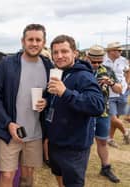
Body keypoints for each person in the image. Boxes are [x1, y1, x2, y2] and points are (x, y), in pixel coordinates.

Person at [0, 23, 54, 187]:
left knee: (27, 176)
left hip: (35, 133)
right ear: (22, 41)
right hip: (10, 131)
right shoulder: (8, 63)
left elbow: (52, 94)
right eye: (30, 39)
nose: (34, 43)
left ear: (43, 42)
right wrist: (7, 123)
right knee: (7, 176)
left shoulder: (48, 66)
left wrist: (46, 101)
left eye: (38, 40)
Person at [46, 35, 104, 187]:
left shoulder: (84, 76)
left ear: (75, 53)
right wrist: (46, 102)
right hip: (56, 142)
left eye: (64, 51)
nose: (59, 56)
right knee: (59, 178)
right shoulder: (59, 73)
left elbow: (97, 105)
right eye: (55, 52)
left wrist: (65, 92)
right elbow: (59, 102)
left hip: (74, 147)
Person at [86, 45, 121, 183]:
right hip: (85, 113)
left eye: (99, 62)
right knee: (84, 143)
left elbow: (119, 90)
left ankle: (106, 168)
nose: (96, 65)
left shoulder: (107, 70)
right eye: (94, 62)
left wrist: (111, 82)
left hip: (103, 113)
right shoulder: (81, 70)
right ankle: (79, 169)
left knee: (102, 141)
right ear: (88, 58)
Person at [103, 42, 130, 147]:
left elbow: (128, 71)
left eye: (120, 50)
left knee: (116, 117)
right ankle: (126, 131)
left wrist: (127, 83)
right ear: (111, 51)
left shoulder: (123, 60)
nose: (120, 51)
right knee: (112, 117)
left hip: (121, 92)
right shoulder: (103, 60)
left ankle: (110, 139)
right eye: (117, 50)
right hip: (108, 93)